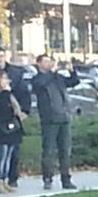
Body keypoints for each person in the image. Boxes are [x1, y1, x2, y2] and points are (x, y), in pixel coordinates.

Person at [28, 52, 79, 189]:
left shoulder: (57, 77)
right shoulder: (37, 79)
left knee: (65, 150)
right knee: (49, 150)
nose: (49, 64)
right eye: (45, 61)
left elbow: (73, 82)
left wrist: (72, 71)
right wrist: (53, 72)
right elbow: (41, 85)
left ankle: (66, 179)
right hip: (49, 119)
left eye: (50, 61)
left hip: (64, 117)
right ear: (38, 64)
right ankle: (47, 178)